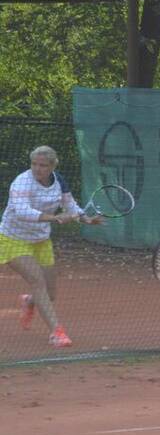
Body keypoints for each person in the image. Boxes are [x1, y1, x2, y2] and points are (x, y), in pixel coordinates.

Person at [2, 145, 102, 347]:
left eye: (43, 165)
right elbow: (22, 211)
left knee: (50, 294)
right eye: (34, 164)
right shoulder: (22, 182)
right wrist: (54, 218)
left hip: (41, 240)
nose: (37, 169)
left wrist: (86, 219)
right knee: (37, 280)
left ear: (53, 166)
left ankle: (29, 301)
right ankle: (57, 333)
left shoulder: (59, 181)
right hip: (12, 239)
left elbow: (70, 205)